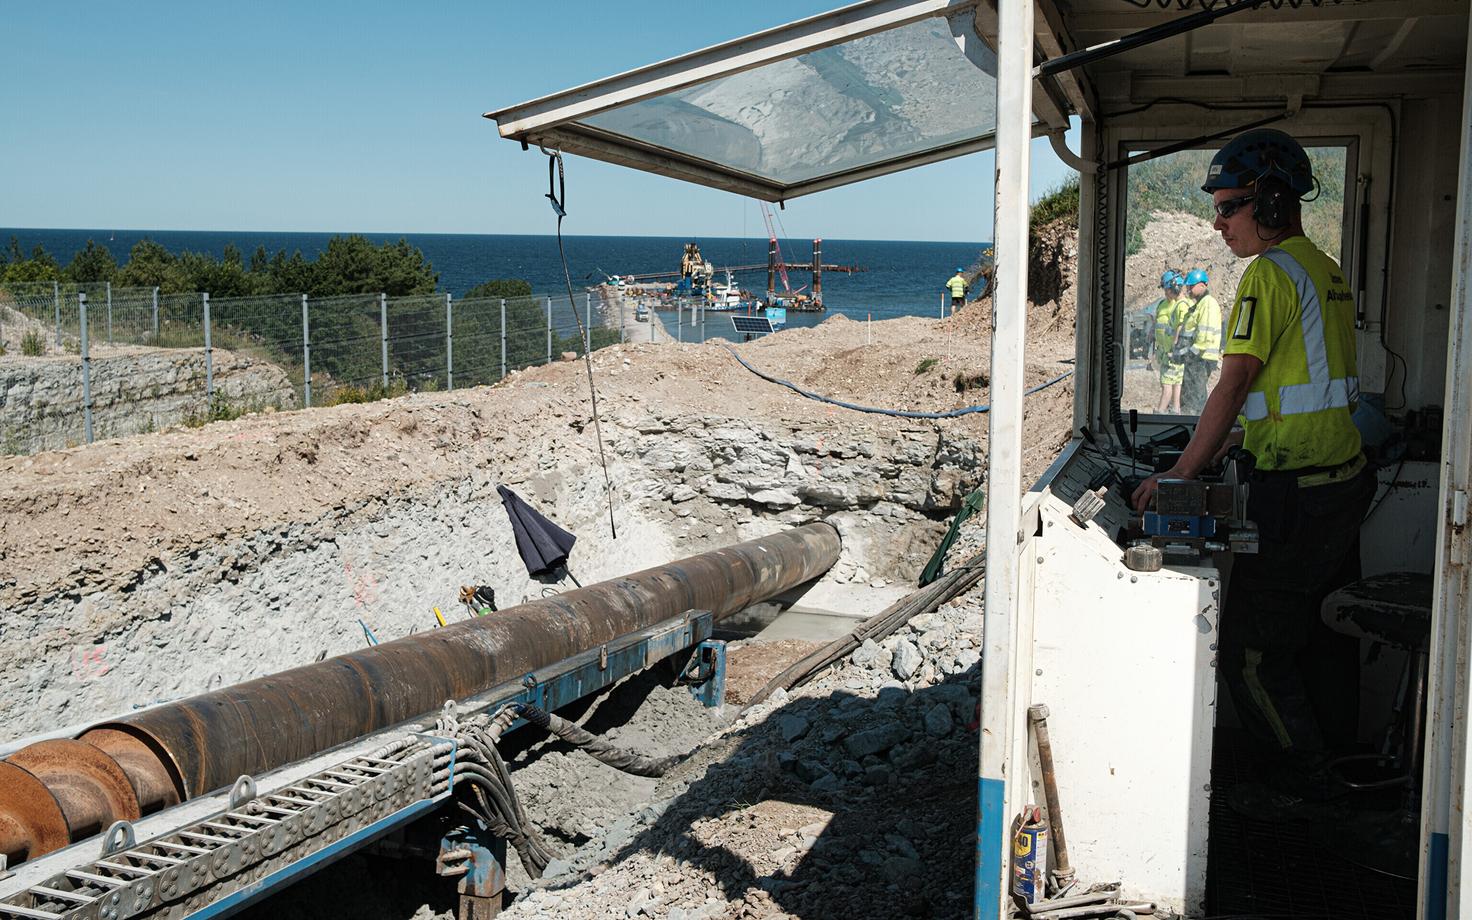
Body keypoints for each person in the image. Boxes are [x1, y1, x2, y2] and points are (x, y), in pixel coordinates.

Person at [1132, 129, 1374, 794]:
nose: (1219, 223)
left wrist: (1180, 473)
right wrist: (1242, 440)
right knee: (1319, 642)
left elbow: (1233, 383)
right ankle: (1333, 768)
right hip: (1339, 480)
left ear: (1269, 204)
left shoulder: (1269, 274)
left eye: (1229, 207)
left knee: (1250, 657)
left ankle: (1304, 785)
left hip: (1300, 494)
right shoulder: (1321, 266)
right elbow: (1297, 388)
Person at [1177, 268, 1223, 414]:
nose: (1188, 290)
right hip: (1196, 358)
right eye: (1188, 286)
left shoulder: (1208, 304)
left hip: (1201, 359)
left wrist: (1188, 354)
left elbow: (1204, 338)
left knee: (1194, 398)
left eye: (1191, 286)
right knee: (1190, 395)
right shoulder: (1199, 305)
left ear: (1202, 285)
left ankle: (1195, 422)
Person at [1148, 270, 1186, 413]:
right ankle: (1176, 410)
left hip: (1172, 352)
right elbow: (1157, 320)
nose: (1165, 292)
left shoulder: (1179, 305)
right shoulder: (1163, 304)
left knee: (1167, 384)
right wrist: (1152, 331)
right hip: (1164, 352)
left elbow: (1180, 327)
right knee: (1174, 382)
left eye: (1167, 289)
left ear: (1175, 288)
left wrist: (1175, 347)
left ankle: (1160, 411)